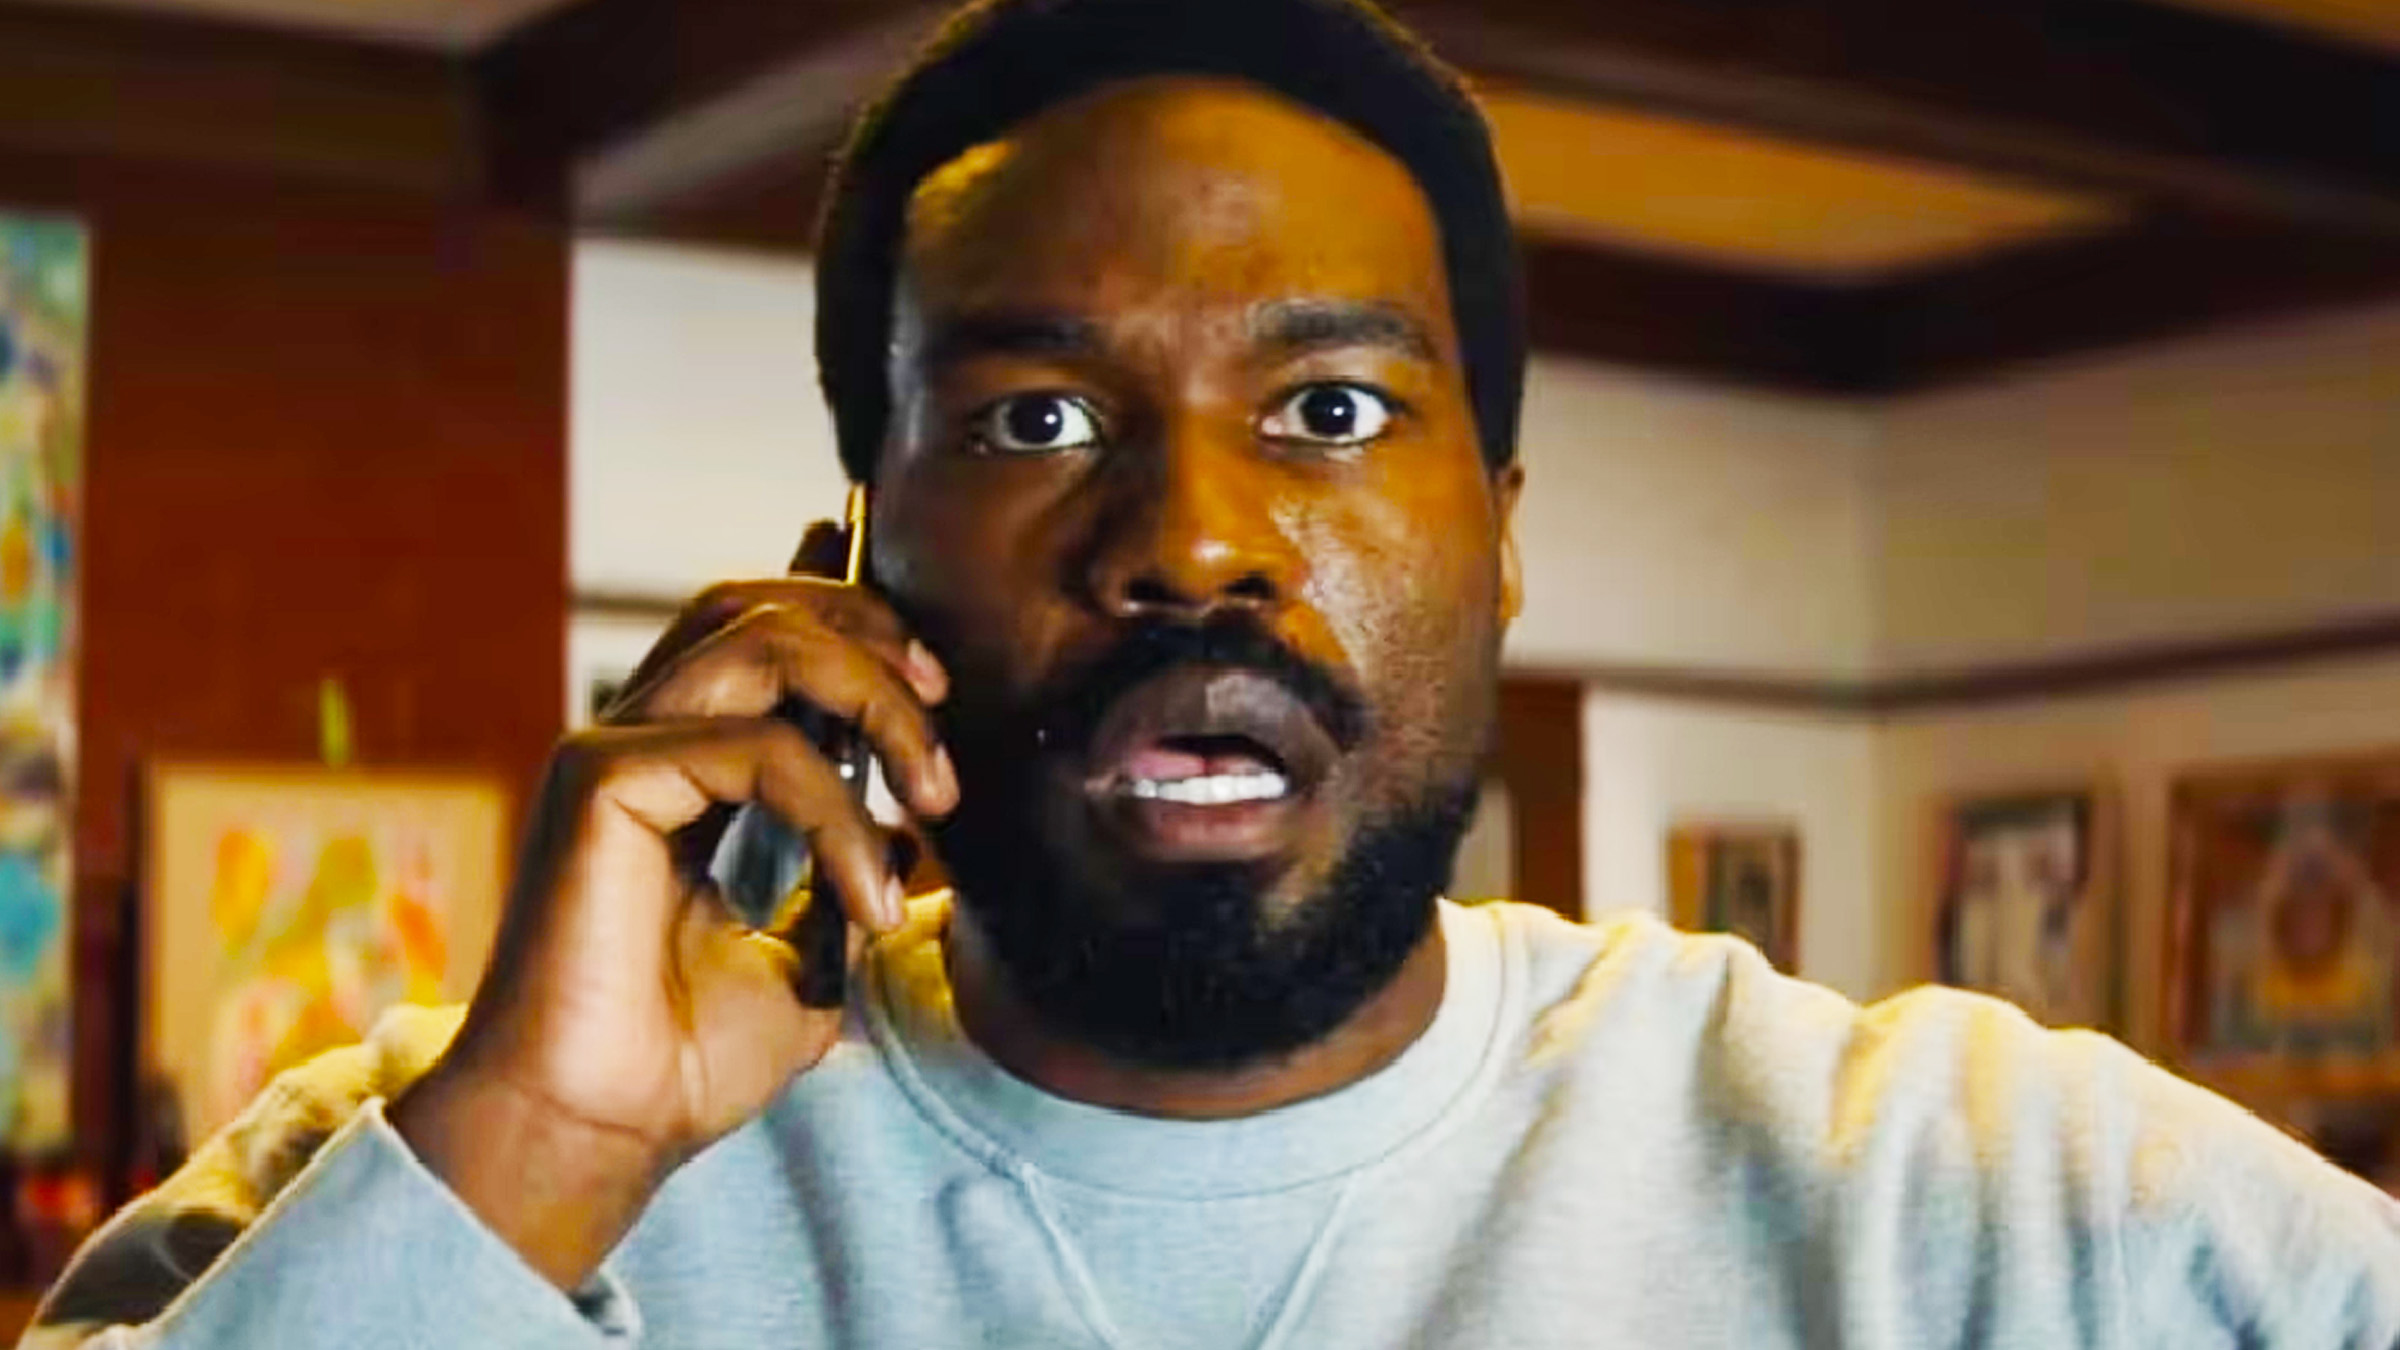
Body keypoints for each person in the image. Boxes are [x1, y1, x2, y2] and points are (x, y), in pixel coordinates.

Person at [28, 0, 2400, 1344]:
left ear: (1500, 538)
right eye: (1033, 422)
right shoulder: (426, 1192)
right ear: (846, 562)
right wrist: (536, 1160)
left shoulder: (1978, 1208)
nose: (1189, 542)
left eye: (1333, 413)